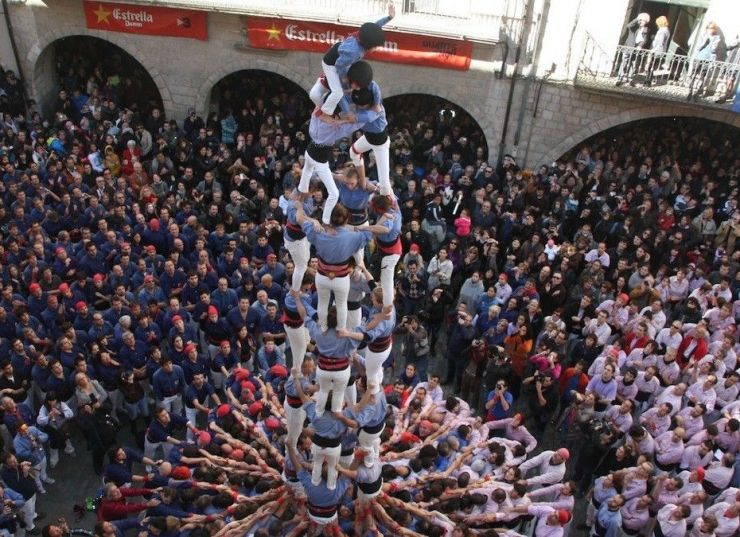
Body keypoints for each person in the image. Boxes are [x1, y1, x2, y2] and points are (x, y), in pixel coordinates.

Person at [308, 5, 394, 115]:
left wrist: (388, 18)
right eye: (376, 46)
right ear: (368, 44)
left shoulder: (362, 36)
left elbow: (375, 27)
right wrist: (343, 77)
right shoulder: (355, 52)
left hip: (339, 54)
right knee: (338, 93)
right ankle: (325, 113)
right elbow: (339, 65)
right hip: (331, 65)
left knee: (338, 89)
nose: (376, 48)